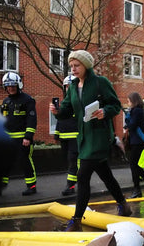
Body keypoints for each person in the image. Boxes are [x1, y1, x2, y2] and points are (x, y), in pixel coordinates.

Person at [50, 50, 132, 231]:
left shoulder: (100, 83)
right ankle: (124, 205)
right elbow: (66, 110)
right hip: (84, 137)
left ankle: (77, 220)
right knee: (106, 175)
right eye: (71, 66)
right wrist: (56, 111)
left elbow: (115, 105)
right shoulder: (72, 87)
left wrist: (104, 112)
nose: (73, 69)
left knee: (82, 175)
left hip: (99, 136)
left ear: (86, 65)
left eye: (76, 65)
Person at [1, 72, 38, 196]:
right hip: (7, 139)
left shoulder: (27, 100)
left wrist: (28, 136)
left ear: (18, 85)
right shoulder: (5, 101)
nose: (11, 88)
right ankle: (0, 186)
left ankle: (31, 186)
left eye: (13, 86)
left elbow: (31, 119)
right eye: (8, 86)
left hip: (23, 138)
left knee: (25, 161)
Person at [125, 92, 144, 198]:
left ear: (134, 101)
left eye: (128, 101)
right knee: (134, 165)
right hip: (137, 141)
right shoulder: (136, 111)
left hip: (138, 141)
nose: (127, 103)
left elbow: (132, 125)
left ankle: (138, 189)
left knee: (133, 165)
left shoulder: (137, 111)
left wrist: (127, 121)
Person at [54, 75, 79, 196]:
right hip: (64, 137)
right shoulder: (64, 102)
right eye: (67, 87)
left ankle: (70, 186)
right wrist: (57, 134)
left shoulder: (79, 102)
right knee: (69, 161)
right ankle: (81, 179)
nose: (69, 88)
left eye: (71, 86)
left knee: (73, 160)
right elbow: (60, 119)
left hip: (75, 137)